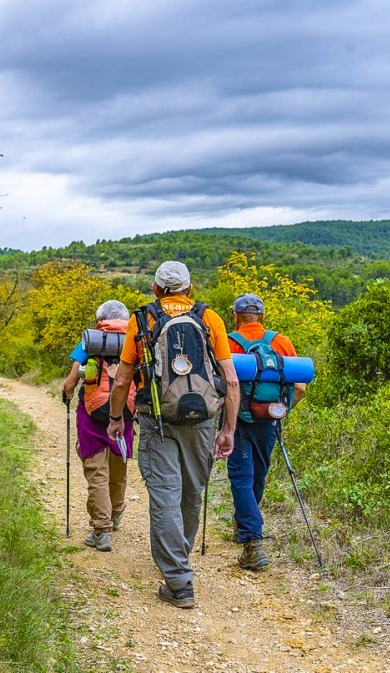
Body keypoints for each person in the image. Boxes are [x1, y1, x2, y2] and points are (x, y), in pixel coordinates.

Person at [107, 261, 240, 609]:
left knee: (166, 493)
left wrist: (116, 417)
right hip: (203, 420)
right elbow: (231, 380)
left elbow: (121, 380)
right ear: (189, 289)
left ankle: (179, 581)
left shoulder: (142, 320)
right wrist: (228, 429)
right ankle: (179, 559)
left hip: (157, 420)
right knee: (192, 492)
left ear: (155, 289)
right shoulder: (209, 319)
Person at [226, 292, 307, 571]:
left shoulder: (228, 343)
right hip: (269, 421)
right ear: (262, 316)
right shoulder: (280, 342)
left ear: (236, 316)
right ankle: (246, 525)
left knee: (240, 475)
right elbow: (300, 388)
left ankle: (252, 541)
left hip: (237, 421)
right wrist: (279, 411)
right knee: (258, 474)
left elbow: (222, 387)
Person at [61, 300, 137, 552]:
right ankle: (115, 515)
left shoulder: (91, 339)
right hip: (124, 411)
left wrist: (67, 393)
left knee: (96, 472)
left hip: (92, 413)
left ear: (100, 318)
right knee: (118, 467)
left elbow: (72, 380)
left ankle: (101, 531)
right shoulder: (136, 339)